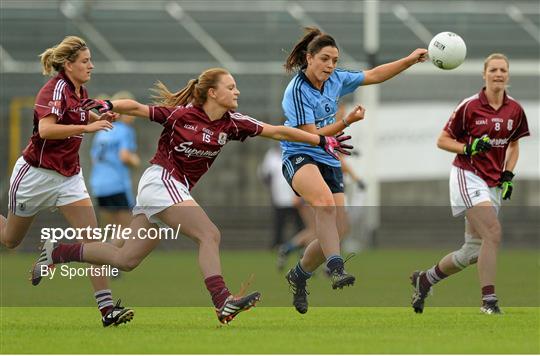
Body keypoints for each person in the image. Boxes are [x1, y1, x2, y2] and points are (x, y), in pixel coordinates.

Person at [31, 67, 353, 324]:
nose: (237, 91)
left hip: (169, 189)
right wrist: (109, 105)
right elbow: (138, 108)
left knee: (125, 259)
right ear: (212, 92)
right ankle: (222, 302)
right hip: (161, 181)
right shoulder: (181, 115)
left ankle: (58, 252)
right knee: (209, 234)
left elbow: (278, 131)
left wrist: (321, 141)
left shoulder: (233, 124)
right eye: (231, 86)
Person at [281, 26, 427, 314]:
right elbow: (313, 135)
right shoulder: (297, 90)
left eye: (334, 60)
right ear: (309, 58)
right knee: (324, 206)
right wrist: (346, 122)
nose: (330, 66)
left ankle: (299, 274)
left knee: (335, 231)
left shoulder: (336, 79)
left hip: (328, 158)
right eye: (324, 59)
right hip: (299, 154)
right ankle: (336, 268)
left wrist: (409, 60)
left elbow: (374, 75)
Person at [0, 36, 134, 327]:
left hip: (69, 177)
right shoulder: (54, 89)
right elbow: (47, 130)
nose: (91, 65)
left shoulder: (78, 88)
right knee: (10, 239)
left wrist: (100, 114)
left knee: (92, 241)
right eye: (85, 61)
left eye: (90, 60)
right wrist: (89, 126)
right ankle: (51, 253)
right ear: (69, 64)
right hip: (36, 176)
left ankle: (107, 310)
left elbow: (82, 110)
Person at [410, 53, 530, 315]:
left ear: (508, 75)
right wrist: (469, 146)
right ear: (484, 74)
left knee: (472, 251)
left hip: (493, 181)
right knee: (493, 232)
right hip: (468, 174)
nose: (498, 74)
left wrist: (508, 175)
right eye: (493, 70)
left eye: (503, 70)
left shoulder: (515, 110)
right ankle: (489, 301)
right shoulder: (469, 106)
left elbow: (514, 145)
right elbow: (442, 141)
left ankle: (426, 279)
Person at [90, 91, 140, 244]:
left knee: (110, 229)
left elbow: (94, 158)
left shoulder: (103, 130)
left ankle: (103, 262)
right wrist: (135, 160)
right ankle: (107, 263)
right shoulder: (125, 130)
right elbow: (124, 156)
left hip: (98, 184)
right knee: (126, 228)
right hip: (116, 184)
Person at [258, 145, 303, 249]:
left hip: (295, 196)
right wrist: (271, 188)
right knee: (279, 223)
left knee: (299, 223)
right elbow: (265, 173)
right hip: (279, 196)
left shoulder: (296, 152)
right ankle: (277, 245)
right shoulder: (271, 155)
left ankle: (299, 245)